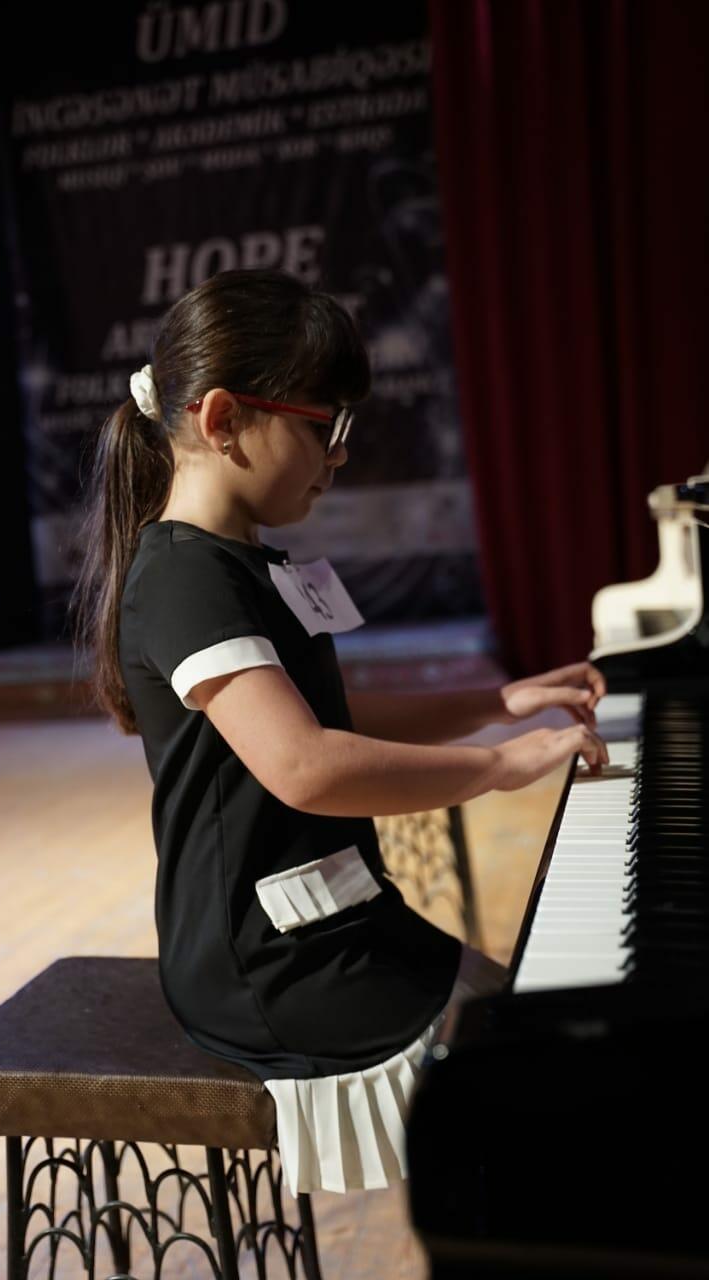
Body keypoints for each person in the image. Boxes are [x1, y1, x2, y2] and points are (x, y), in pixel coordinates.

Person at [70, 267, 609, 1198]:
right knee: (549, 1088)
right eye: (326, 426)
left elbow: (325, 716)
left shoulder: (236, 560)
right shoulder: (185, 577)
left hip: (327, 918)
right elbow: (306, 766)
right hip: (271, 960)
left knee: (540, 1038)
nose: (342, 454)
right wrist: (496, 765)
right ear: (223, 419)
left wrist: (494, 700)